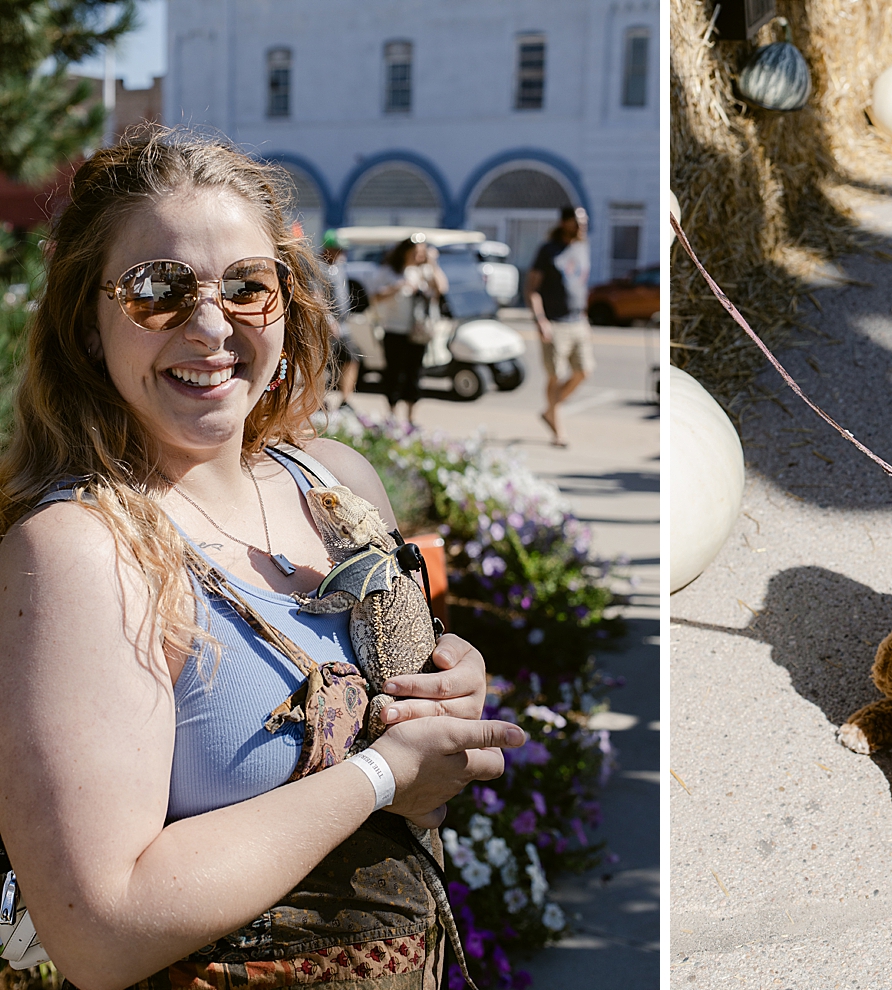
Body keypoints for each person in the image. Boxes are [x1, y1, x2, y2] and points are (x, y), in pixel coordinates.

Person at [0, 133, 524, 989]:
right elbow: (98, 929)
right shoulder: (80, 551)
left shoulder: (335, 485)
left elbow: (418, 789)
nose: (211, 326)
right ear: (88, 327)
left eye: (248, 287)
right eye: (156, 293)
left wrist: (446, 697)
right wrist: (381, 774)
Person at [526, 206, 593, 447]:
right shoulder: (548, 251)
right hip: (554, 323)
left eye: (584, 222)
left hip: (578, 321)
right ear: (565, 223)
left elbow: (580, 285)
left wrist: (585, 317)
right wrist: (540, 320)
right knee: (555, 375)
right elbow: (532, 289)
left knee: (583, 371)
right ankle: (558, 430)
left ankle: (550, 411)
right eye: (578, 222)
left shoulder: (582, 247)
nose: (582, 226)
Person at [370, 234, 448, 425]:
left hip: (417, 331)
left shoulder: (425, 271)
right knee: (394, 373)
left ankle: (411, 416)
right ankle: (392, 414)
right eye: (415, 252)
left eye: (421, 252)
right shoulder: (390, 271)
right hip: (394, 328)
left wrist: (432, 264)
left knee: (415, 373)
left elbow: (442, 288)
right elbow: (375, 296)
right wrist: (398, 287)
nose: (418, 255)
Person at [320, 234, 360, 410]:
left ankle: (345, 399)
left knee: (351, 357)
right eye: (338, 249)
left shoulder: (339, 267)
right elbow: (315, 295)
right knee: (321, 365)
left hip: (342, 325)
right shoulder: (316, 267)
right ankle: (318, 400)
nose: (341, 253)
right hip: (323, 325)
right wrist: (328, 319)